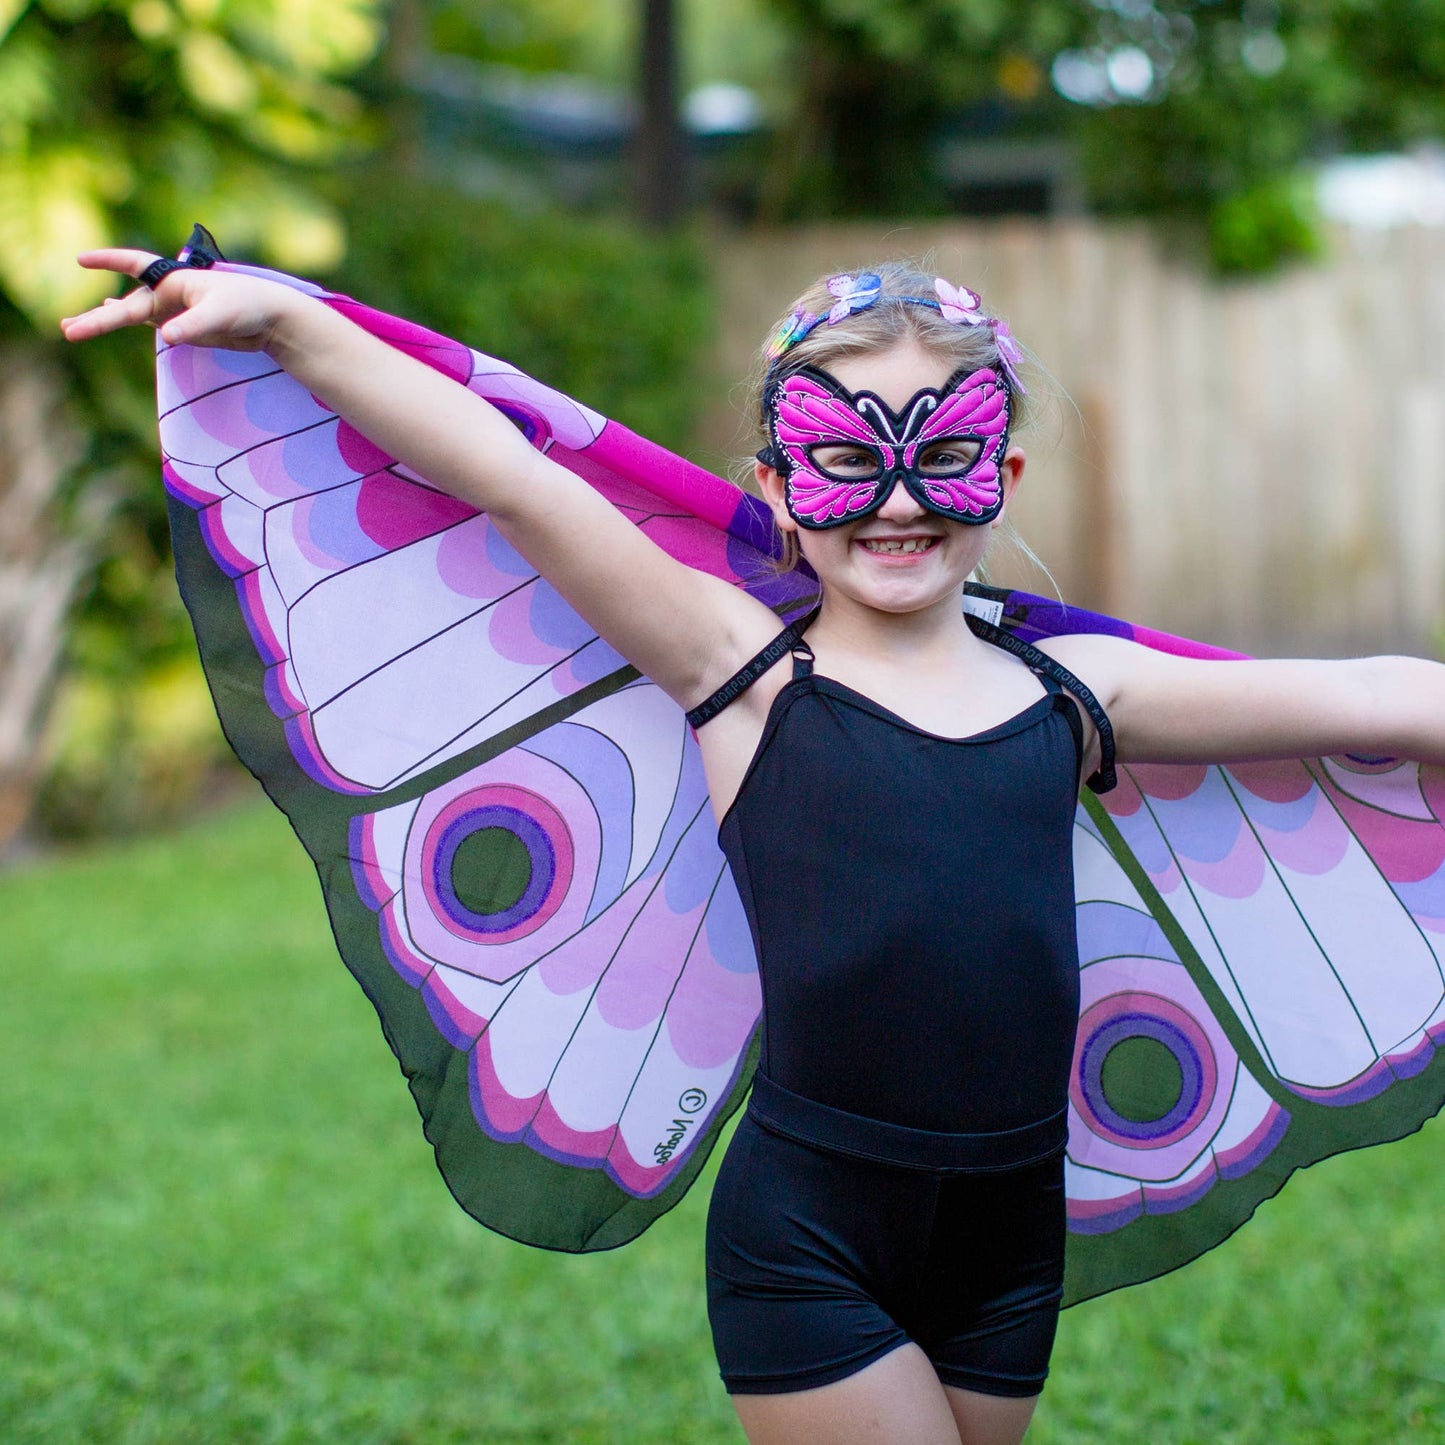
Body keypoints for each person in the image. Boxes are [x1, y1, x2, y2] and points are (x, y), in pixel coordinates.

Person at [62, 252, 1445, 1445]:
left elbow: (1382, 695)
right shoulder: (738, 672)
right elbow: (508, 476)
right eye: (845, 458)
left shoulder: (1075, 692)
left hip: (1010, 1237)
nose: (894, 500)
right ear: (778, 485)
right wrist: (284, 324)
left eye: (938, 451)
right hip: (813, 1235)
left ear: (1000, 470)